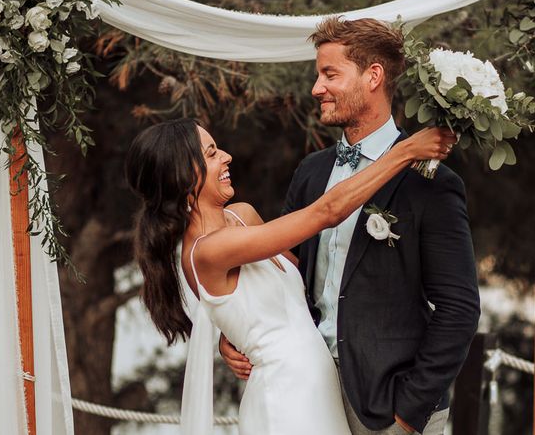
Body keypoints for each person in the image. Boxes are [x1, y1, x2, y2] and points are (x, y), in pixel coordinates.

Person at [221, 16, 481, 435]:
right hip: (306, 390)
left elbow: (459, 308)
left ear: (373, 76)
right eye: (317, 75)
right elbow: (285, 276)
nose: (316, 88)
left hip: (388, 405)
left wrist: (410, 412)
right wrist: (234, 336)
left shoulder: (431, 181)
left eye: (330, 74)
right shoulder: (310, 171)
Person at [127, 116, 455, 435]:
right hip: (283, 402)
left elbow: (300, 281)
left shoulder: (241, 216)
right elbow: (325, 212)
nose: (227, 156)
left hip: (320, 395)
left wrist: (234, 332)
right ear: (182, 175)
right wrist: (406, 151)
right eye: (211, 153)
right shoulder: (207, 251)